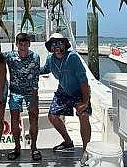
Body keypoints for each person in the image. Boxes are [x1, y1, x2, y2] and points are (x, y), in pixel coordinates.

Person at [40, 32, 92, 165]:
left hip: (79, 91)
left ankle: (86, 151)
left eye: (59, 42)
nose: (56, 45)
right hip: (63, 91)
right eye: (53, 43)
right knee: (52, 115)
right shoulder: (50, 59)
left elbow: (84, 81)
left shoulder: (73, 57)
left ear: (65, 44)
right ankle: (68, 142)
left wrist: (85, 102)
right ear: (50, 46)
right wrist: (28, 67)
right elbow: (44, 70)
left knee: (83, 116)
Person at [3, 32, 42, 161]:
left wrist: (35, 99)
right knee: (15, 119)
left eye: (26, 43)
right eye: (21, 43)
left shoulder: (35, 57)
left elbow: (36, 78)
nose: (23, 46)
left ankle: (34, 147)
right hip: (15, 92)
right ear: (16, 44)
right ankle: (17, 147)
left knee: (33, 118)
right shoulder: (9, 56)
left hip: (31, 92)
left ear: (29, 44)